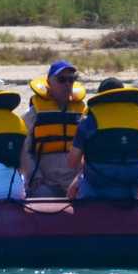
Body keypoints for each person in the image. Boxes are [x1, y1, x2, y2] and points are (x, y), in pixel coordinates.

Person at [70, 78, 138, 200]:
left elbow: (72, 162)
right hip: (130, 186)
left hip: (97, 187)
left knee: (73, 190)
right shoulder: (137, 119)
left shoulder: (89, 120)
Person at [19, 60, 86, 198]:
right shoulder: (33, 114)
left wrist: (82, 177)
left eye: (71, 80)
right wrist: (35, 176)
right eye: (61, 79)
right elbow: (24, 149)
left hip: (74, 182)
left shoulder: (83, 114)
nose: (67, 84)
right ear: (49, 82)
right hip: (45, 182)